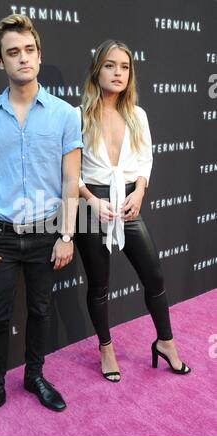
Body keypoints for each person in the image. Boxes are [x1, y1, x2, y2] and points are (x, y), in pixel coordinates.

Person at [0, 14, 82, 435]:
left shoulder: (66, 115)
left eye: (29, 50)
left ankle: (34, 376)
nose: (23, 58)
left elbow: (71, 179)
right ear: (0, 62)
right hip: (1, 233)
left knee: (40, 310)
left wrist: (67, 234)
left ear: (39, 54)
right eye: (13, 52)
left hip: (47, 232)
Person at [75, 40, 191, 382]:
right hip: (89, 203)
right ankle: (106, 348)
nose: (118, 73)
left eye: (124, 67)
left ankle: (166, 342)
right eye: (110, 65)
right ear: (97, 69)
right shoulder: (77, 115)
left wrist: (140, 189)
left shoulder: (137, 114)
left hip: (127, 201)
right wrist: (90, 200)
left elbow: (145, 159)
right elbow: (66, 169)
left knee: (154, 275)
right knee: (99, 284)